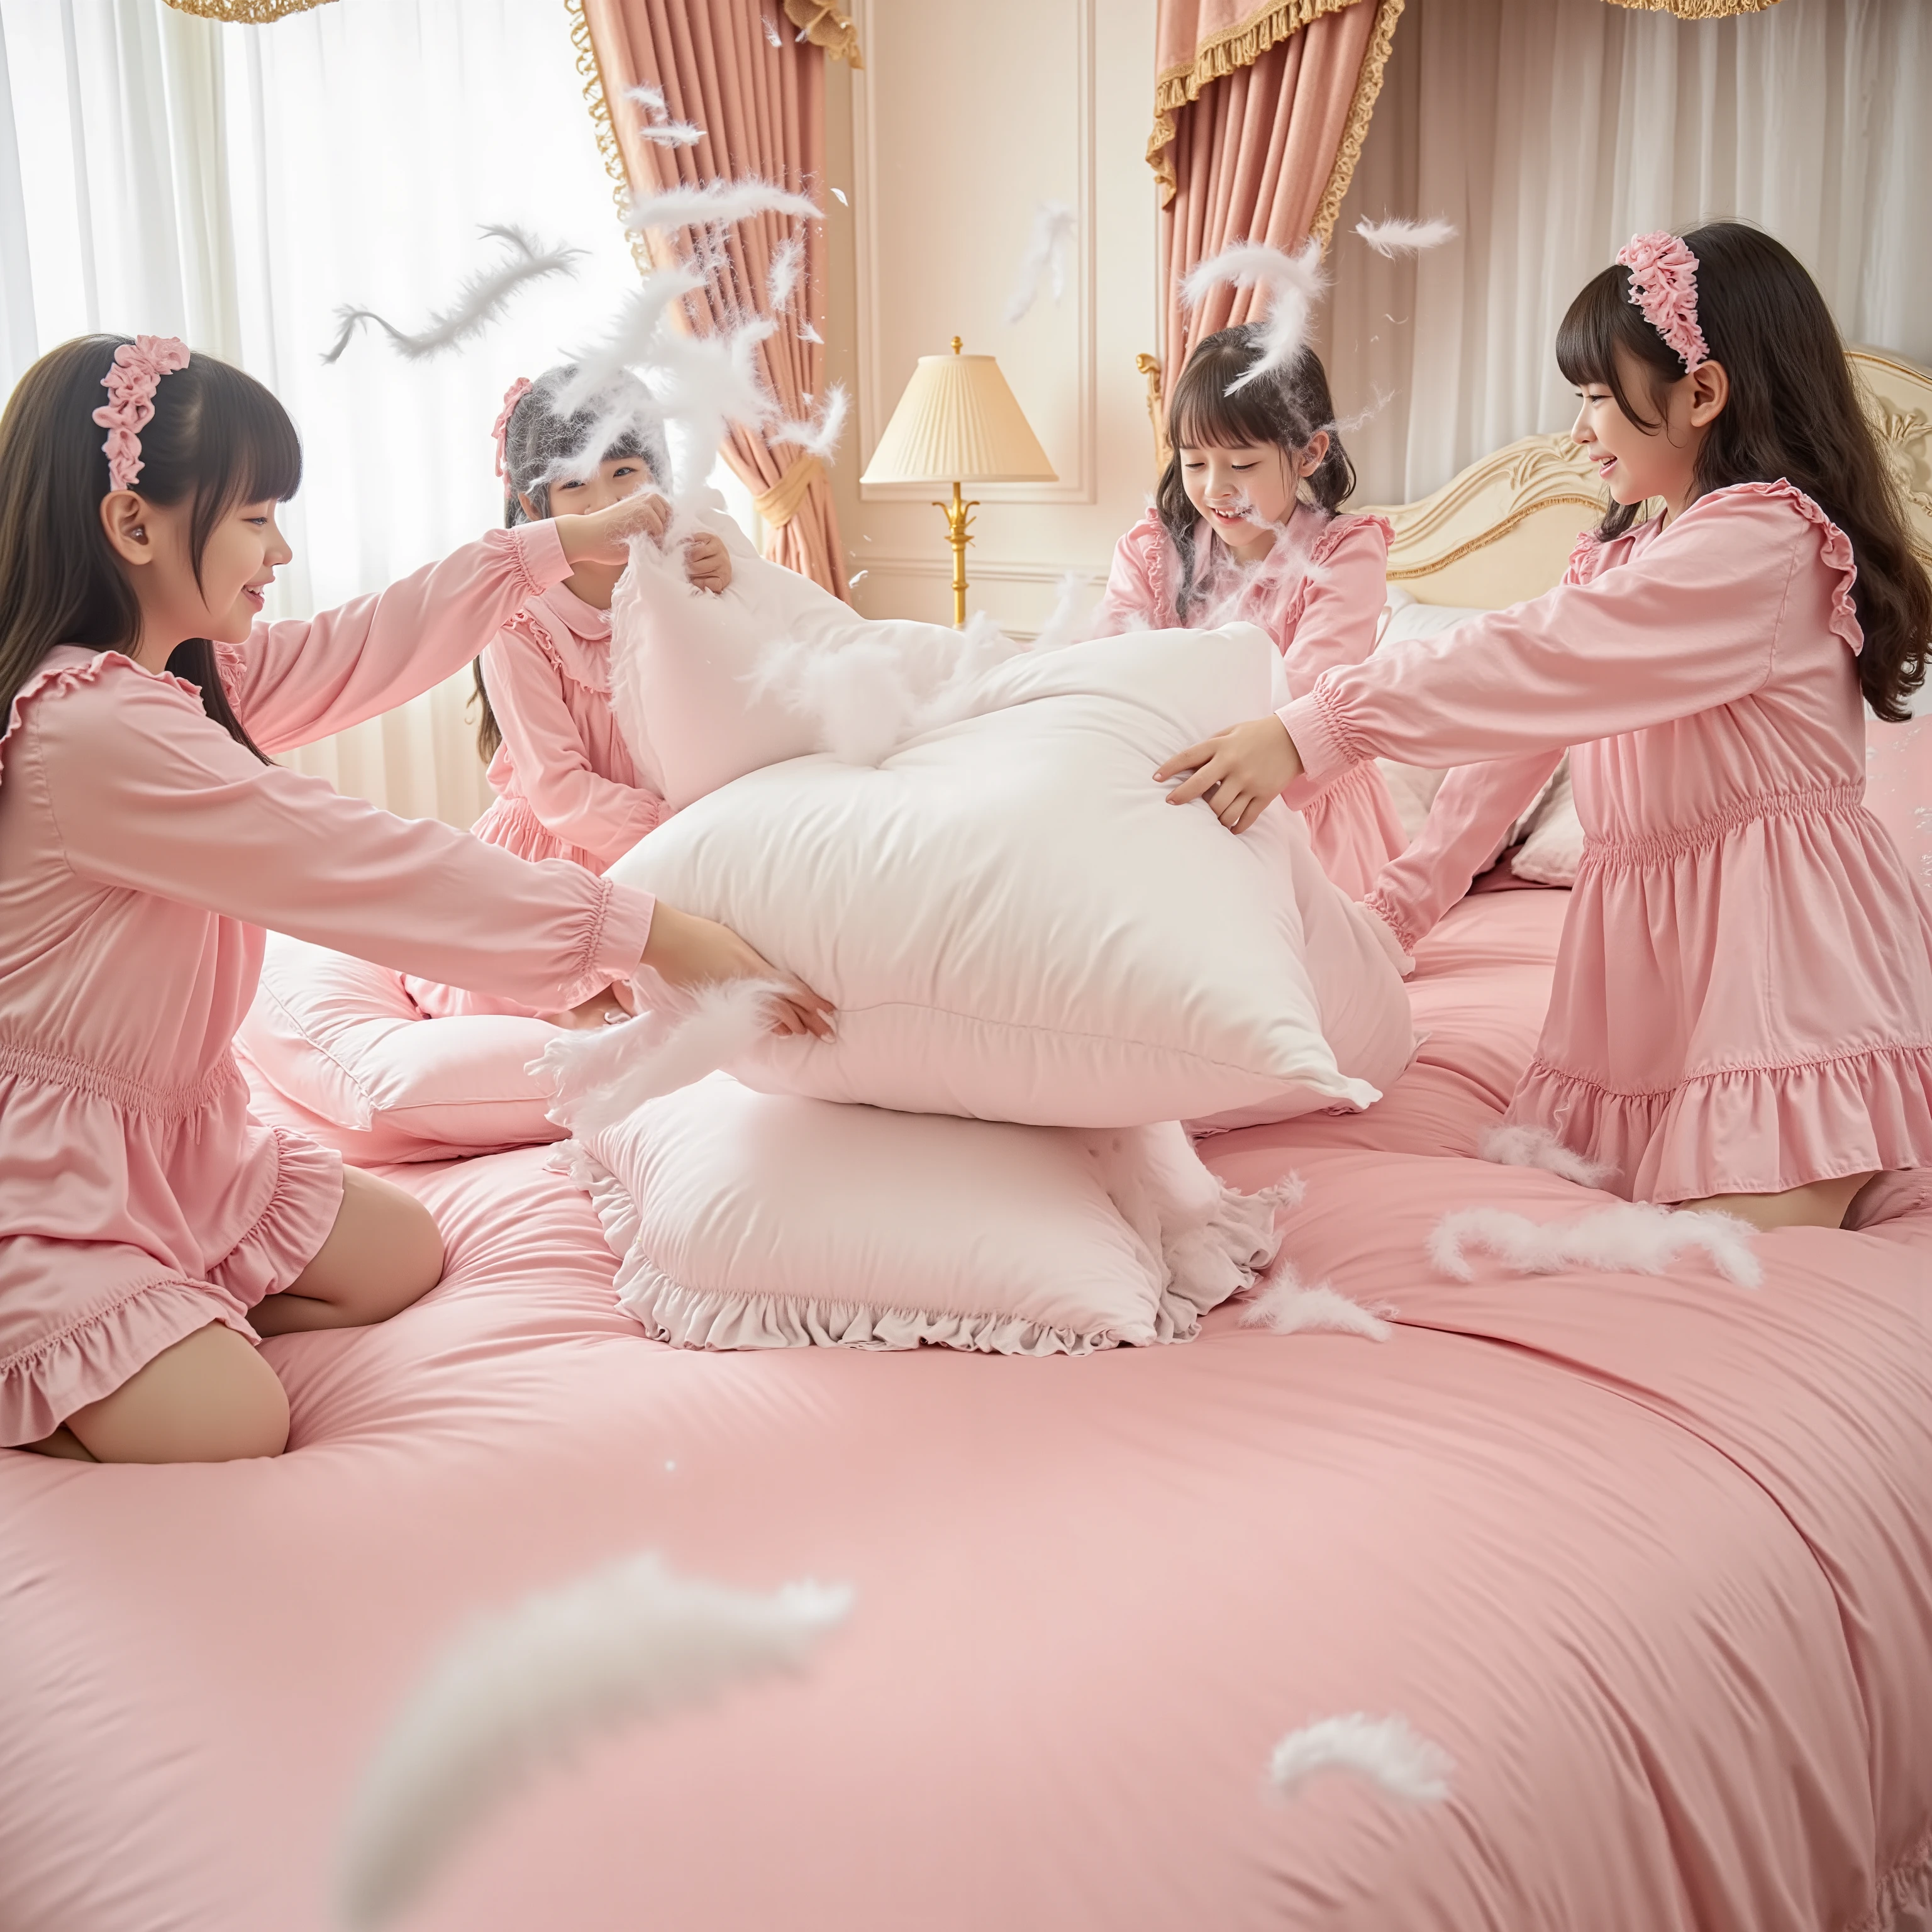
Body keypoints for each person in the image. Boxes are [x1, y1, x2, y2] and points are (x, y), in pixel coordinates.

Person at [0, 334, 829, 1463]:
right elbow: (348, 858)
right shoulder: (91, 732)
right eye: (253, 518)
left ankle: (166, 1311)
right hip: (46, 1179)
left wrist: (552, 546)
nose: (280, 548)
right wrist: (641, 932)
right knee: (236, 1419)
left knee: (401, 1253)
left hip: (177, 1143)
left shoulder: (183, 672)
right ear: (134, 527)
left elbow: (361, 645)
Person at [1155, 224, 1932, 1230]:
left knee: (1726, 1269)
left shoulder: (1761, 543)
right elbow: (1516, 740)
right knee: (1607, 1234)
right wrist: (1399, 907)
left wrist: (1320, 726)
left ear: (1703, 395)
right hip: (1651, 966)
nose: (1578, 432)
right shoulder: (1637, 549)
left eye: (1599, 399)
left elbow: (1536, 653)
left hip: (1775, 952)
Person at [405, 367, 731, 1022]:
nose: (605, 501)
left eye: (624, 473)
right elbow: (560, 794)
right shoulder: (518, 620)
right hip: (571, 842)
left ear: (659, 477)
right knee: (594, 988)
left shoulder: (678, 565)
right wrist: (675, 832)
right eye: (575, 485)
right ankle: (570, 1005)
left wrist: (729, 576)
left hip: (685, 823)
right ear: (535, 506)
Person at [1096, 326, 1404, 897]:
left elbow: (1312, 692)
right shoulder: (1150, 551)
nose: (1216, 489)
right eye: (1194, 464)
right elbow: (1107, 667)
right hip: (1165, 805)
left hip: (1305, 819)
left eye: (1241, 464)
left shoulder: (1345, 551)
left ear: (1310, 452)